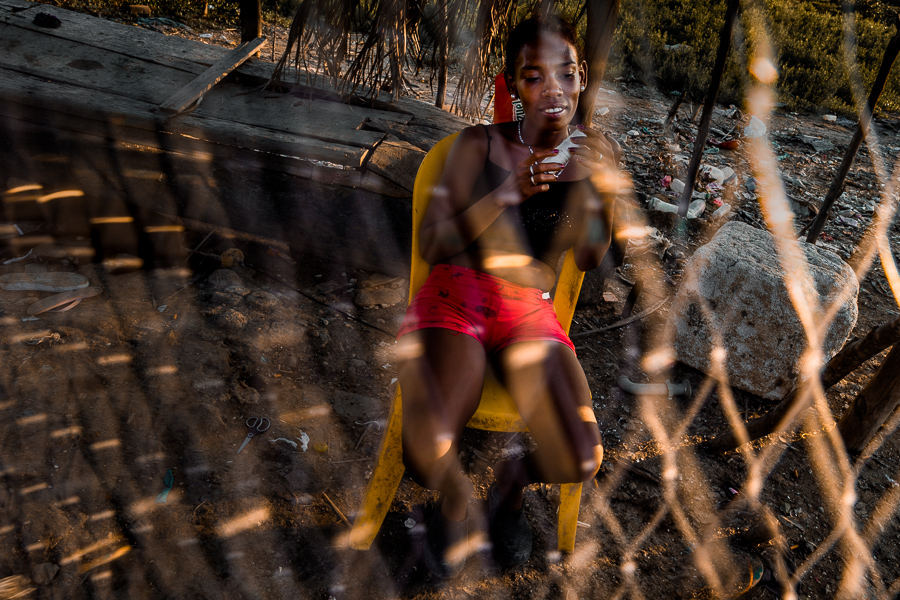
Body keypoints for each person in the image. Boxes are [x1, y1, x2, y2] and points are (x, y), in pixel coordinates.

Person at [394, 14, 619, 577]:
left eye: (565, 74)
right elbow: (433, 241)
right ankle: (453, 501)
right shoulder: (479, 144)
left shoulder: (592, 154)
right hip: (457, 294)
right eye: (534, 76)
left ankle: (512, 484)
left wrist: (602, 194)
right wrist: (506, 192)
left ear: (581, 77)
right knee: (424, 451)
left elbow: (591, 259)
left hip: (528, 311)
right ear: (514, 86)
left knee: (581, 454)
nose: (553, 91)